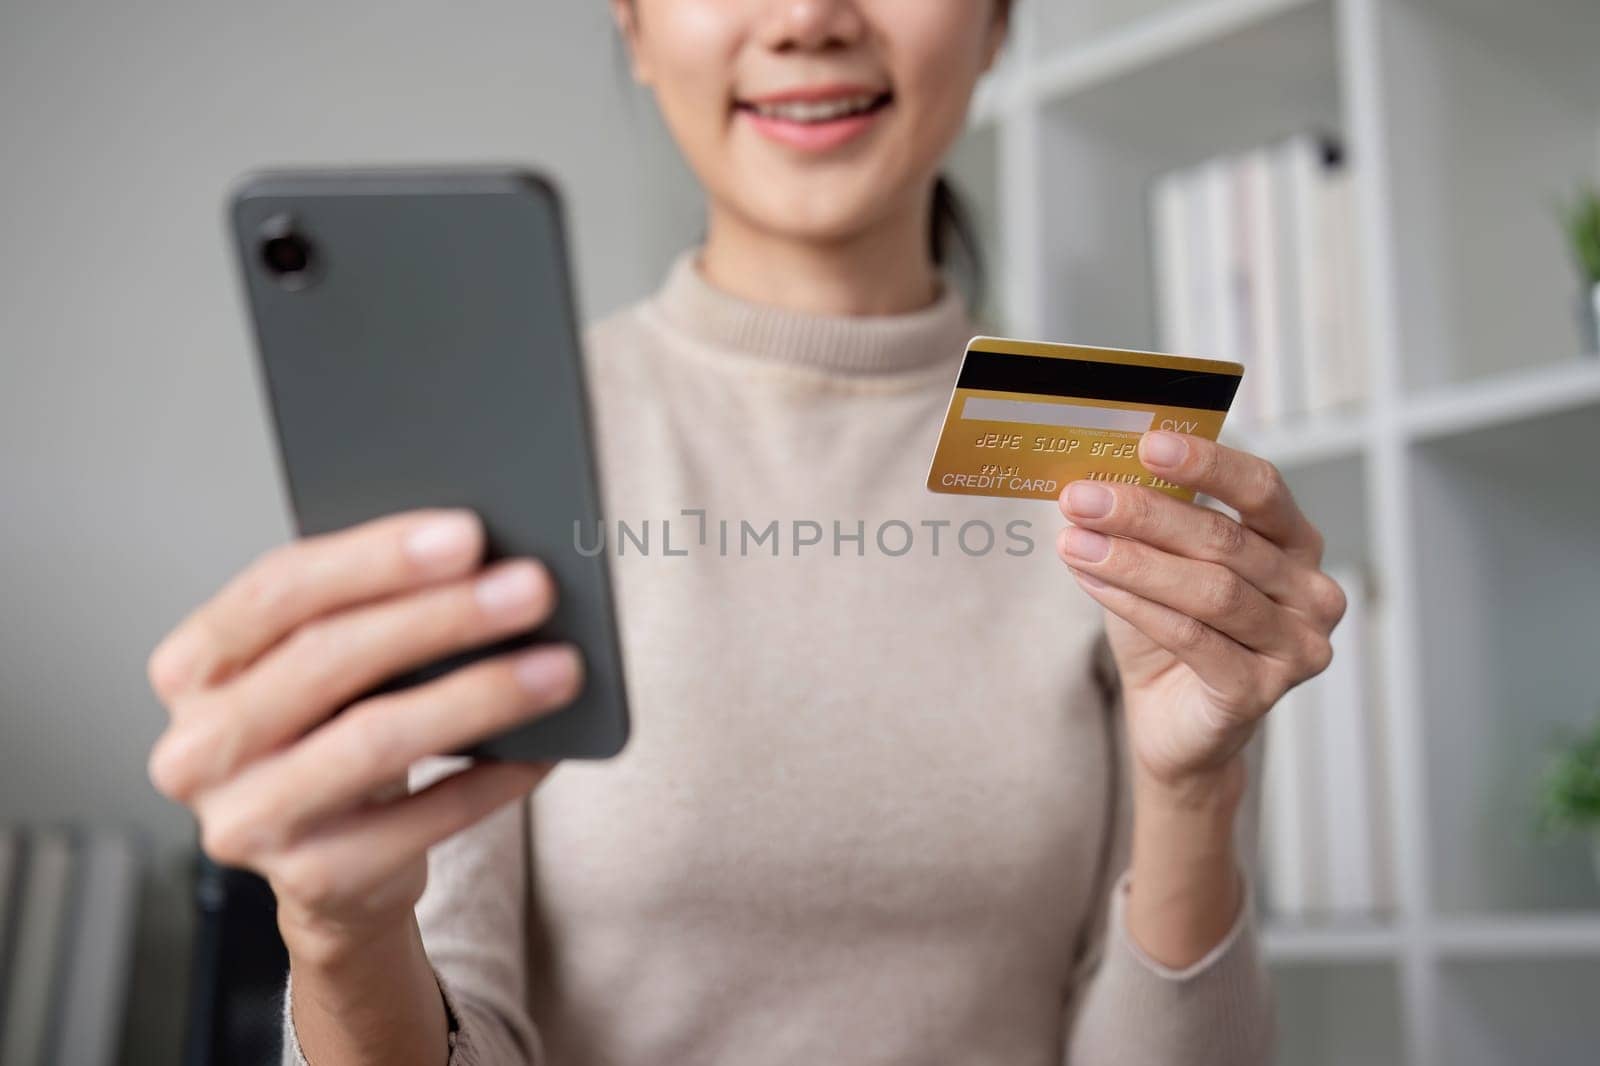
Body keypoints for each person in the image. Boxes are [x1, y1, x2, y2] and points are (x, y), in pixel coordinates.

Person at [146, 2, 1347, 1064]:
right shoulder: (496, 450)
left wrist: (1194, 795)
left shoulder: (1115, 461)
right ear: (631, 23)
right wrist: (341, 934)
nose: (807, 16)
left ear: (996, 19)